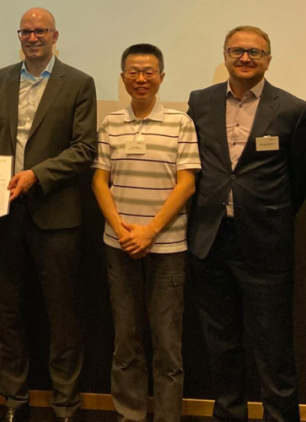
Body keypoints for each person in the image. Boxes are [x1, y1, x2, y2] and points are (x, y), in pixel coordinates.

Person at [185, 26, 306, 422]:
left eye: (255, 52)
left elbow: (301, 177)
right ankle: (229, 414)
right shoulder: (200, 102)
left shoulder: (293, 109)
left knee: (273, 345)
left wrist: (266, 212)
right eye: (237, 51)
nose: (245, 58)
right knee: (221, 341)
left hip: (265, 244)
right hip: (211, 239)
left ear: (268, 60)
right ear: (225, 55)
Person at [0, 7, 97, 422]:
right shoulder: (0, 79)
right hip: (4, 213)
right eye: (26, 31)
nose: (32, 37)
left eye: (40, 31)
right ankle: (14, 401)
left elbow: (84, 148)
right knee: (8, 313)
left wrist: (36, 175)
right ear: (19, 36)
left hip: (56, 214)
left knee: (62, 316)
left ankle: (66, 404)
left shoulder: (78, 82)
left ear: (55, 36)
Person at [92, 44, 199, 422]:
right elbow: (99, 181)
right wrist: (121, 229)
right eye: (133, 72)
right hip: (119, 245)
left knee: (168, 344)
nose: (141, 79)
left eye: (149, 72)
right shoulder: (110, 123)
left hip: (167, 247)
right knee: (126, 341)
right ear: (122, 78)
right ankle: (130, 415)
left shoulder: (180, 122)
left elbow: (187, 183)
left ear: (162, 77)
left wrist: (150, 232)